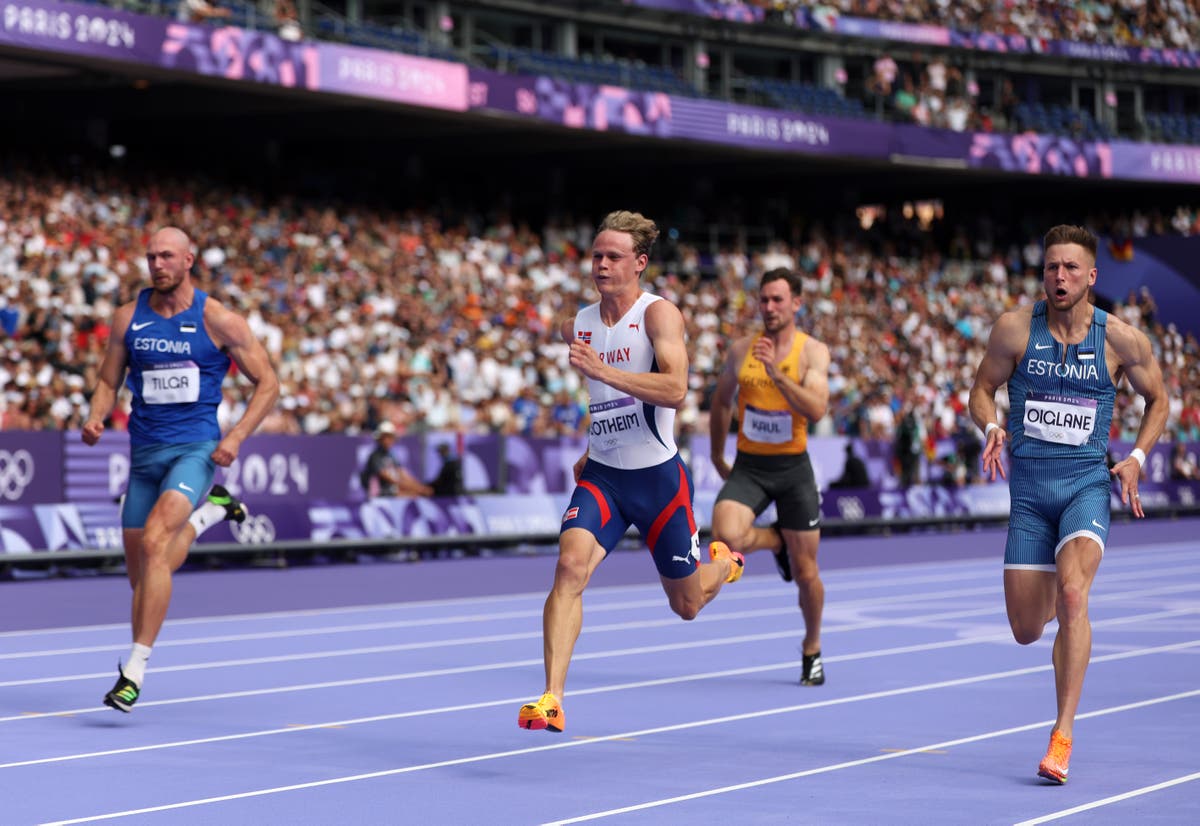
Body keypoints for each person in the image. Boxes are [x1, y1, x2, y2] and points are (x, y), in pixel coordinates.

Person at [518, 210, 744, 733]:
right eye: (596, 255)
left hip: (659, 481)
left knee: (686, 605)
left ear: (639, 263)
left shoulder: (659, 315)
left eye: (613, 256)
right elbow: (593, 385)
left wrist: (602, 371)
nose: (600, 264)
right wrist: (595, 437)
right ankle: (552, 698)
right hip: (603, 475)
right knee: (569, 568)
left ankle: (724, 564)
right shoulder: (579, 322)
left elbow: (676, 389)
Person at [969, 224, 1167, 784]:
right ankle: (1060, 602)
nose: (1060, 276)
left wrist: (1137, 457)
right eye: (1052, 266)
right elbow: (980, 388)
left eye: (1071, 268)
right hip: (1029, 494)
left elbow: (1160, 400)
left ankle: (1062, 734)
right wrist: (990, 424)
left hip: (1086, 484)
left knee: (1075, 594)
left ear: (1091, 277)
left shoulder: (1121, 340)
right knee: (1027, 628)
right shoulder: (1013, 330)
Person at [82, 227, 279, 712]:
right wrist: (94, 414)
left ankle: (134, 671)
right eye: (150, 257)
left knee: (154, 543)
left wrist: (234, 437)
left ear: (189, 260)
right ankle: (209, 515)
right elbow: (109, 381)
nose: (157, 265)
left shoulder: (218, 319)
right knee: (143, 576)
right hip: (144, 456)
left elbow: (270, 383)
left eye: (166, 256)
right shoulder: (129, 318)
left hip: (194, 449)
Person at [708, 267, 832, 686]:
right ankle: (776, 538)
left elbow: (816, 410)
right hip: (750, 465)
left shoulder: (812, 352)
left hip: (793, 468)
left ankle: (811, 646)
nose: (770, 307)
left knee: (806, 572)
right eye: (764, 299)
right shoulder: (741, 350)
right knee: (726, 537)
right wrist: (714, 452)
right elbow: (722, 402)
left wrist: (778, 375)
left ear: (796, 303)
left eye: (778, 299)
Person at [360, 421, 433, 497]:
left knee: (417, 496)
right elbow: (391, 479)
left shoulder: (391, 455)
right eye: (385, 437)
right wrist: (418, 489)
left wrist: (419, 487)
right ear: (380, 439)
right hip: (380, 494)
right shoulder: (375, 456)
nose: (388, 440)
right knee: (413, 496)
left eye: (390, 437)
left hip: (392, 491)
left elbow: (403, 473)